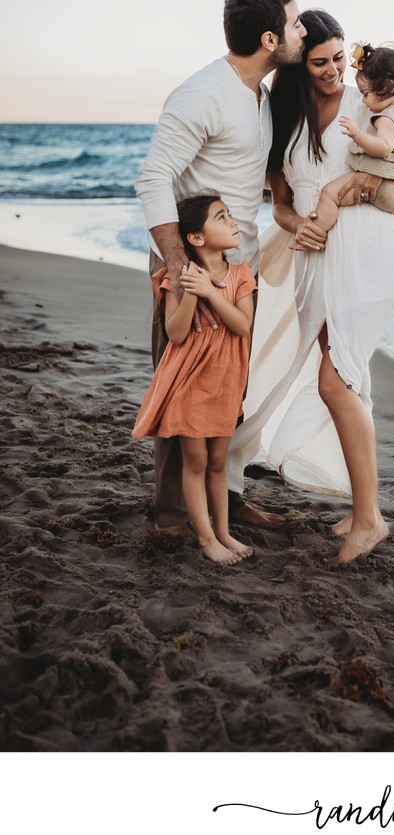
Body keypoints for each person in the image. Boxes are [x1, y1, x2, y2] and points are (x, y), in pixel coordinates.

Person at [226, 9, 394, 564]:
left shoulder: (367, 106)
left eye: (340, 60)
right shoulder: (284, 119)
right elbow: (279, 206)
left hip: (368, 255)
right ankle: (356, 500)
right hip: (316, 262)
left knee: (335, 380)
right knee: (348, 378)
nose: (333, 72)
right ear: (297, 67)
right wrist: (305, 226)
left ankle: (369, 520)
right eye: (319, 62)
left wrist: (368, 187)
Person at [136, 0, 306, 536]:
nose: (299, 31)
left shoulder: (257, 95)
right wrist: (179, 271)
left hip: (237, 271)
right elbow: (153, 179)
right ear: (268, 39)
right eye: (293, 23)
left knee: (226, 387)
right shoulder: (202, 94)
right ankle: (172, 516)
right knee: (180, 388)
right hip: (192, 268)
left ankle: (223, 499)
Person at [133, 194, 256, 565]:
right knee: (196, 462)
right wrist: (190, 292)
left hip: (225, 382)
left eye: (230, 215)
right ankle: (205, 538)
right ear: (197, 238)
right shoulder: (177, 279)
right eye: (222, 217)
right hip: (188, 383)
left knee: (219, 462)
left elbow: (241, 325)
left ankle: (223, 532)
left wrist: (211, 294)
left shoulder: (242, 274)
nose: (233, 222)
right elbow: (176, 333)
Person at [291, 41, 394, 287]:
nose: (364, 101)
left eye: (366, 94)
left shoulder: (387, 117)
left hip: (381, 187)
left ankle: (316, 232)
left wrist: (358, 134)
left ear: (386, 88)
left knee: (330, 194)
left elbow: (383, 147)